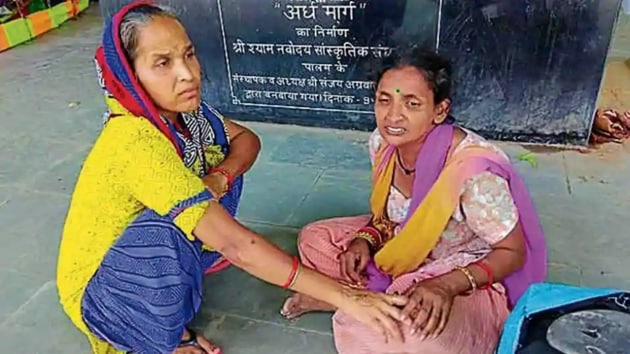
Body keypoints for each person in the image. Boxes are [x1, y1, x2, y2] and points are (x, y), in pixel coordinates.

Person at [56, 2, 410, 354]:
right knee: (177, 223)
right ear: (130, 77)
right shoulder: (133, 140)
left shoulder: (186, 116)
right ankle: (142, 334)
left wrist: (220, 177)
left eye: (189, 55)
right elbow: (237, 245)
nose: (188, 74)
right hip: (99, 292)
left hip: (138, 256)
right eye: (163, 63)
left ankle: (172, 300)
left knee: (218, 169)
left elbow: (246, 140)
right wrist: (348, 298)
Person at [280, 47, 548, 354]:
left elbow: (512, 252)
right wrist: (365, 240)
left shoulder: (472, 172)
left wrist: (445, 286)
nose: (393, 116)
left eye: (412, 103)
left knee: (410, 334)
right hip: (403, 247)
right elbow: (388, 217)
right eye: (384, 100)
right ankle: (366, 297)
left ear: (439, 110)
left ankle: (343, 298)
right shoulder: (382, 143)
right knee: (315, 239)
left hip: (462, 271)